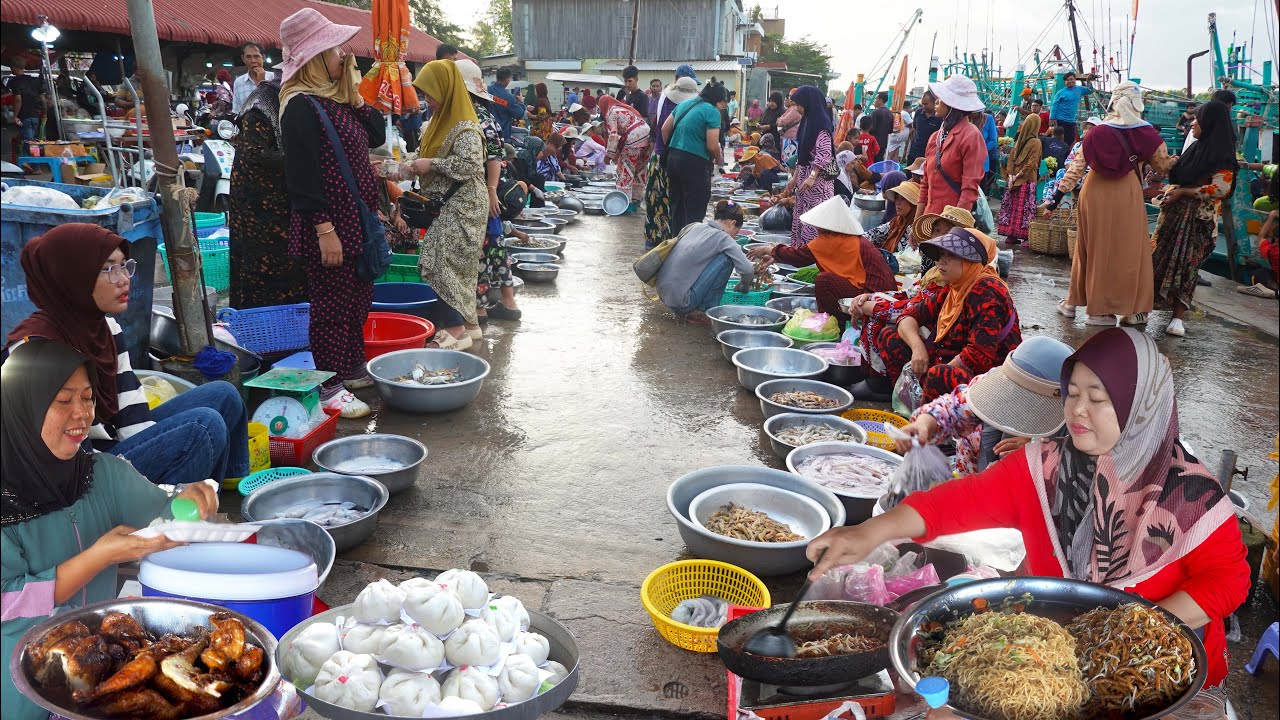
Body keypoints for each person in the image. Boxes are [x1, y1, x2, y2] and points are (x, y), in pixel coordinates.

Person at [810, 327, 1250, 691]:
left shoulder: (1191, 495)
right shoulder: (1045, 468)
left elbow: (1229, 580)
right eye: (1072, 392)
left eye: (1098, 398)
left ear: (1141, 405)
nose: (1077, 410)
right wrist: (869, 532)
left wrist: (1128, 633)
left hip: (1164, 671)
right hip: (1060, 657)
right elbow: (957, 502)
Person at [0, 340, 221, 720]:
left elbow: (165, 520)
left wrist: (192, 502)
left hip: (95, 675)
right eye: (63, 401)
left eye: (87, 398)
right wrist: (100, 556)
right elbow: (7, 602)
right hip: (19, 691)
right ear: (23, 407)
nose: (82, 414)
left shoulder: (101, 474)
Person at [6, 224, 251, 486]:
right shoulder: (35, 353)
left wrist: (159, 450)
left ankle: (230, 490)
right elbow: (59, 462)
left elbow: (131, 416)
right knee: (203, 426)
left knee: (223, 395)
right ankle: (168, 518)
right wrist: (141, 487)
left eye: (124, 265)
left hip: (110, 449)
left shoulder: (105, 328)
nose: (124, 279)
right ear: (72, 277)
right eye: (108, 268)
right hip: (77, 475)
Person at [279, 7, 385, 417]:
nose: (344, 56)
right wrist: (325, 230)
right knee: (331, 308)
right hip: (329, 225)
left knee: (358, 299)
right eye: (336, 50)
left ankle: (352, 367)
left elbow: (376, 134)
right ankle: (329, 386)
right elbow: (302, 177)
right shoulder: (300, 106)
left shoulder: (335, 101)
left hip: (354, 221)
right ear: (316, 58)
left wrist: (355, 94)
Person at [1042, 82, 1169, 327]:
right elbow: (1163, 165)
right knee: (1130, 251)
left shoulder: (1097, 133)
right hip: (1126, 193)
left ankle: (1082, 307)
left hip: (1094, 191)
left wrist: (1055, 200)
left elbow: (1075, 169)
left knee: (1091, 248)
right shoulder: (1146, 133)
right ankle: (1132, 310)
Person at [853, 228, 1020, 402]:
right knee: (890, 336)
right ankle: (911, 405)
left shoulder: (987, 291)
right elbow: (908, 316)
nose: (941, 262)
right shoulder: (953, 288)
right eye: (940, 255)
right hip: (950, 363)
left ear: (972, 261)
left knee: (938, 375)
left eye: (952, 256)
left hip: (990, 382)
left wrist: (930, 378)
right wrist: (918, 349)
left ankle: (929, 417)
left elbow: (977, 357)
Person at [400, 60, 489, 351]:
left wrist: (432, 164)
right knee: (451, 264)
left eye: (429, 93)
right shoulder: (435, 123)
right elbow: (420, 155)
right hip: (447, 204)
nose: (426, 99)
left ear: (446, 89)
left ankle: (455, 329)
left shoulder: (465, 128)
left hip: (463, 205)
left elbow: (470, 164)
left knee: (444, 264)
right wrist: (402, 167)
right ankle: (467, 324)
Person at [899, 335, 1075, 476]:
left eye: (1024, 400)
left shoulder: (1077, 423)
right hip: (974, 479)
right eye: (1013, 395)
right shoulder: (998, 383)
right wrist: (925, 423)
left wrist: (1038, 450)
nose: (1014, 403)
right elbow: (953, 407)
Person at [1150, 101, 1237, 338]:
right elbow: (1179, 175)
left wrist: (1185, 192)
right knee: (1157, 259)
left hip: (1199, 219)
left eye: (1197, 120)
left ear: (1209, 123)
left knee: (1188, 265)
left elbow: (1221, 189)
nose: (1192, 123)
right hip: (1173, 215)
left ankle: (1177, 316)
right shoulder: (1194, 149)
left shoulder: (1223, 157)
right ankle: (1144, 307)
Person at [748, 196, 896, 322]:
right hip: (879, 291)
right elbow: (802, 255)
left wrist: (770, 250)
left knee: (824, 281)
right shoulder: (848, 238)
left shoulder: (833, 239)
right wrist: (775, 256)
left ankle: (833, 321)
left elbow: (800, 256)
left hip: (875, 294)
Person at [229, 77, 308, 309]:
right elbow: (254, 154)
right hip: (259, 207)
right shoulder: (263, 102)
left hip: (288, 201)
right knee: (264, 270)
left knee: (293, 267)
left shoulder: (301, 98)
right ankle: (263, 328)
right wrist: (309, 157)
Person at [456, 59, 521, 325]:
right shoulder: (484, 112)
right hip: (489, 190)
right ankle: (507, 302)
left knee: (480, 249)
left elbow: (494, 155)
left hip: (483, 190)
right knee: (495, 245)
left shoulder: (475, 116)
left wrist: (491, 190)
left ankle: (481, 308)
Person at [656, 201, 754, 323]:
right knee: (727, 259)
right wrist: (743, 286)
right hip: (682, 303)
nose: (734, 236)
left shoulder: (693, 226)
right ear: (732, 223)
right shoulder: (724, 238)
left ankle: (694, 309)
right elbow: (747, 270)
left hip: (663, 293)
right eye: (736, 232)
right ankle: (705, 312)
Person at [662, 82, 727, 234]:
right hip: (694, 163)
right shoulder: (712, 111)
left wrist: (676, 149)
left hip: (672, 159)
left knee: (676, 207)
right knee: (694, 210)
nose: (723, 107)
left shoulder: (685, 104)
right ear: (719, 100)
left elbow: (665, 129)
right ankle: (691, 247)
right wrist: (719, 158)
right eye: (723, 104)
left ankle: (675, 244)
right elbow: (712, 145)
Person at [917, 75, 987, 215]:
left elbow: (969, 190)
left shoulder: (971, 136)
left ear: (952, 104)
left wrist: (953, 226)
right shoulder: (935, 137)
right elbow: (925, 184)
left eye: (941, 98)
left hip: (951, 221)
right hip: (929, 218)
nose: (936, 101)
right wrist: (917, 223)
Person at [778, 86, 839, 247]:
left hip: (818, 183)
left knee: (813, 222)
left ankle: (811, 258)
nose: (797, 108)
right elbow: (803, 158)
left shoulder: (822, 125)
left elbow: (824, 154)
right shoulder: (806, 123)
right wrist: (794, 179)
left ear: (809, 103)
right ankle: (799, 255)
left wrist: (812, 177)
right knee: (802, 219)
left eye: (799, 104)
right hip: (805, 182)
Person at [597, 95, 651, 211]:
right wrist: (616, 155)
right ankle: (635, 202)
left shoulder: (611, 112)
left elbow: (614, 135)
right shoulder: (621, 108)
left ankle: (624, 205)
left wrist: (609, 156)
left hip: (634, 138)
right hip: (646, 135)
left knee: (625, 171)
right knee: (640, 170)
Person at [997, 114, 1043, 243]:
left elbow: (1011, 160)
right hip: (1026, 180)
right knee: (1025, 209)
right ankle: (1024, 237)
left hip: (1013, 182)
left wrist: (1011, 177)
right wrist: (1019, 176)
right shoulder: (1036, 142)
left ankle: (1010, 235)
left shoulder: (1019, 141)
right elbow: (1032, 163)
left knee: (1012, 207)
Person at [864, 180, 922, 253]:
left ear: (912, 204)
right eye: (897, 198)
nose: (897, 202)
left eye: (903, 199)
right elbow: (875, 233)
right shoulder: (897, 221)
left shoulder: (917, 229)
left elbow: (911, 257)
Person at [1048, 71, 1093, 145]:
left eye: (1071, 79)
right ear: (1065, 82)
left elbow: (1089, 90)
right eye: (1067, 80)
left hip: (1071, 120)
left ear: (1075, 80)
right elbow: (1054, 105)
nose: (1070, 81)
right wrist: (1051, 118)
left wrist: (1088, 81)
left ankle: (1066, 154)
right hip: (1060, 120)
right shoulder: (1061, 92)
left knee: (1070, 140)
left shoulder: (1079, 89)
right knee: (1059, 139)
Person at [6, 59, 46, 141]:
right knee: (31, 142)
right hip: (35, 116)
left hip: (24, 117)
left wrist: (15, 116)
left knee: (30, 143)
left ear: (14, 67)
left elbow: (18, 100)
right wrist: (45, 113)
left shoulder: (15, 82)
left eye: (11, 67)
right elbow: (42, 98)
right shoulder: (34, 80)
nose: (11, 69)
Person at [232, 42, 275, 114]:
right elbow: (237, 112)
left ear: (263, 58)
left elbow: (276, 107)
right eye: (248, 57)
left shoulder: (275, 78)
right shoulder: (239, 82)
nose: (253, 61)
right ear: (243, 59)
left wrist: (262, 82)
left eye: (256, 56)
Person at [487, 67, 527, 141]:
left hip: (486, 132)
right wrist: (521, 102)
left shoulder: (486, 90)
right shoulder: (508, 97)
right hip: (502, 136)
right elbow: (519, 114)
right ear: (507, 79)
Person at [906, 90, 942, 163]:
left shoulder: (940, 117)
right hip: (914, 152)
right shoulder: (918, 112)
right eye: (922, 104)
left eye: (926, 104)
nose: (924, 106)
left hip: (929, 154)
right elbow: (915, 130)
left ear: (934, 102)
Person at [869, 91, 895, 163]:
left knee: (872, 163)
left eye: (876, 99)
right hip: (883, 143)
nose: (874, 101)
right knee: (879, 163)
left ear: (880, 100)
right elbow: (890, 130)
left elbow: (871, 128)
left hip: (874, 143)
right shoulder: (890, 113)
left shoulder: (875, 112)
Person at [777, 92, 803, 162]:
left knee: (789, 161)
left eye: (791, 96)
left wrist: (780, 120)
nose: (790, 99)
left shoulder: (795, 109)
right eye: (789, 96)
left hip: (791, 140)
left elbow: (781, 122)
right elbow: (780, 119)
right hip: (788, 139)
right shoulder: (791, 108)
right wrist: (780, 120)